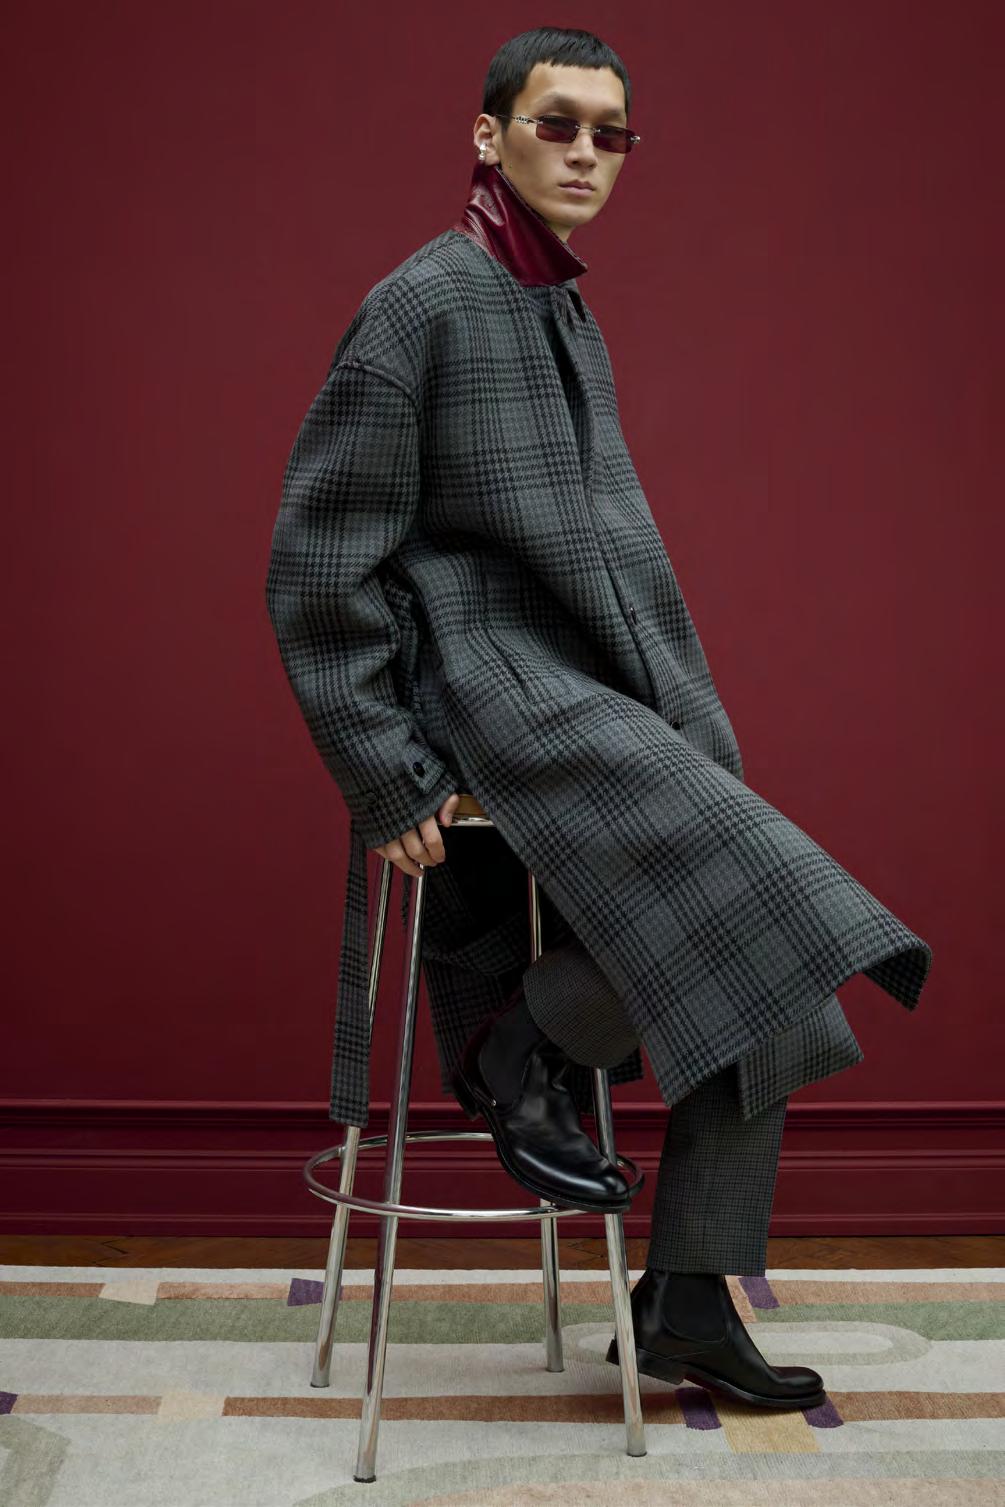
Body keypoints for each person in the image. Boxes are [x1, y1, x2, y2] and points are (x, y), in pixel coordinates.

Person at [265, 27, 932, 1411]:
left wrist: (687, 714)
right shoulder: (421, 308)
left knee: (774, 964)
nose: (583, 153)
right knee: (775, 915)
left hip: (600, 698)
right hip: (495, 696)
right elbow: (317, 562)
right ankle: (521, 1041)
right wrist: (382, 771)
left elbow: (608, 562)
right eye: (555, 123)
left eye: (607, 134)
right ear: (487, 134)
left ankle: (685, 1297)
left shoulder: (560, 307)